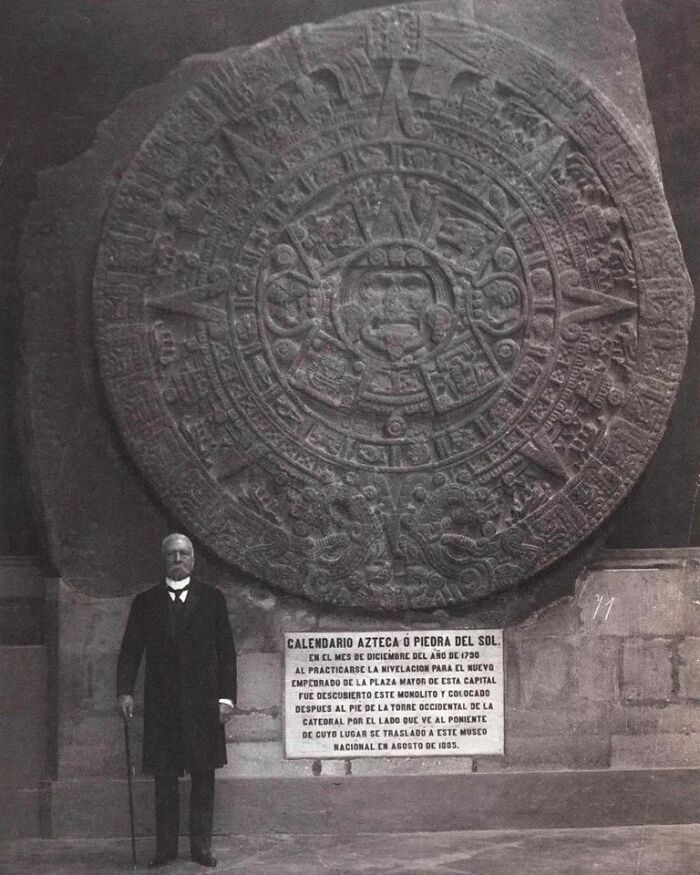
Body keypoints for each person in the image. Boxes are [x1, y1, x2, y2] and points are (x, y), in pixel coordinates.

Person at [117, 533, 237, 868]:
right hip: (162, 706)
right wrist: (125, 690)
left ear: (194, 560)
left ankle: (201, 847)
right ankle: (165, 848)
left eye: (184, 554)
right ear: (164, 559)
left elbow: (226, 652)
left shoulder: (213, 599)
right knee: (164, 780)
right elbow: (130, 651)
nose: (178, 559)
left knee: (204, 777)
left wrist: (226, 698)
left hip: (203, 704)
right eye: (172, 554)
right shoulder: (146, 602)